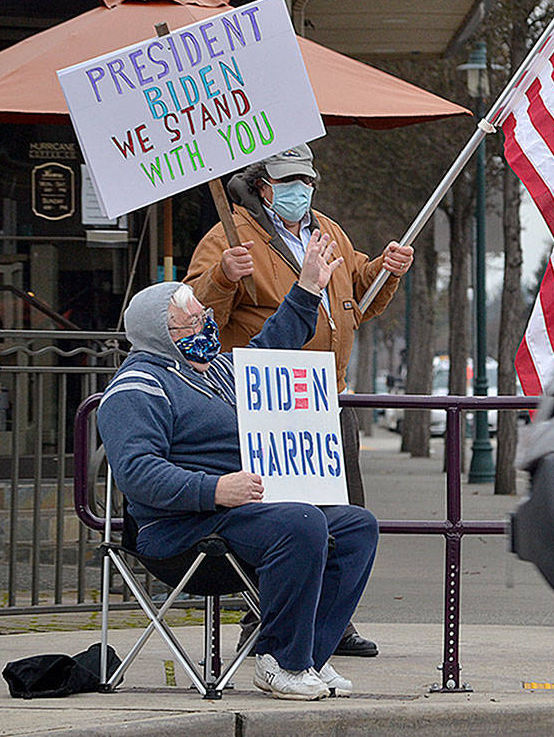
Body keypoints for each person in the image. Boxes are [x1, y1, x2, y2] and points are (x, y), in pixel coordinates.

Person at [99, 231, 378, 700]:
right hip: (180, 530)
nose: (207, 327)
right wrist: (214, 489)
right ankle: (280, 662)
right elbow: (138, 472)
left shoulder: (217, 372)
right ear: (161, 336)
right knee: (302, 522)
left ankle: (308, 656)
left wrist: (309, 286)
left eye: (205, 318)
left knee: (356, 526)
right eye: (192, 324)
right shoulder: (137, 386)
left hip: (241, 513)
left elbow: (272, 347)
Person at [183, 143, 412, 657]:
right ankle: (264, 615)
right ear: (263, 185)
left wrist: (387, 270)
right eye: (287, 181)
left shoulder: (329, 231)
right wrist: (223, 276)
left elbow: (358, 297)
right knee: (284, 517)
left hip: (330, 399)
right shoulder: (228, 237)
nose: (299, 190)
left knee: (343, 513)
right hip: (268, 402)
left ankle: (332, 619)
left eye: (306, 179)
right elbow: (194, 316)